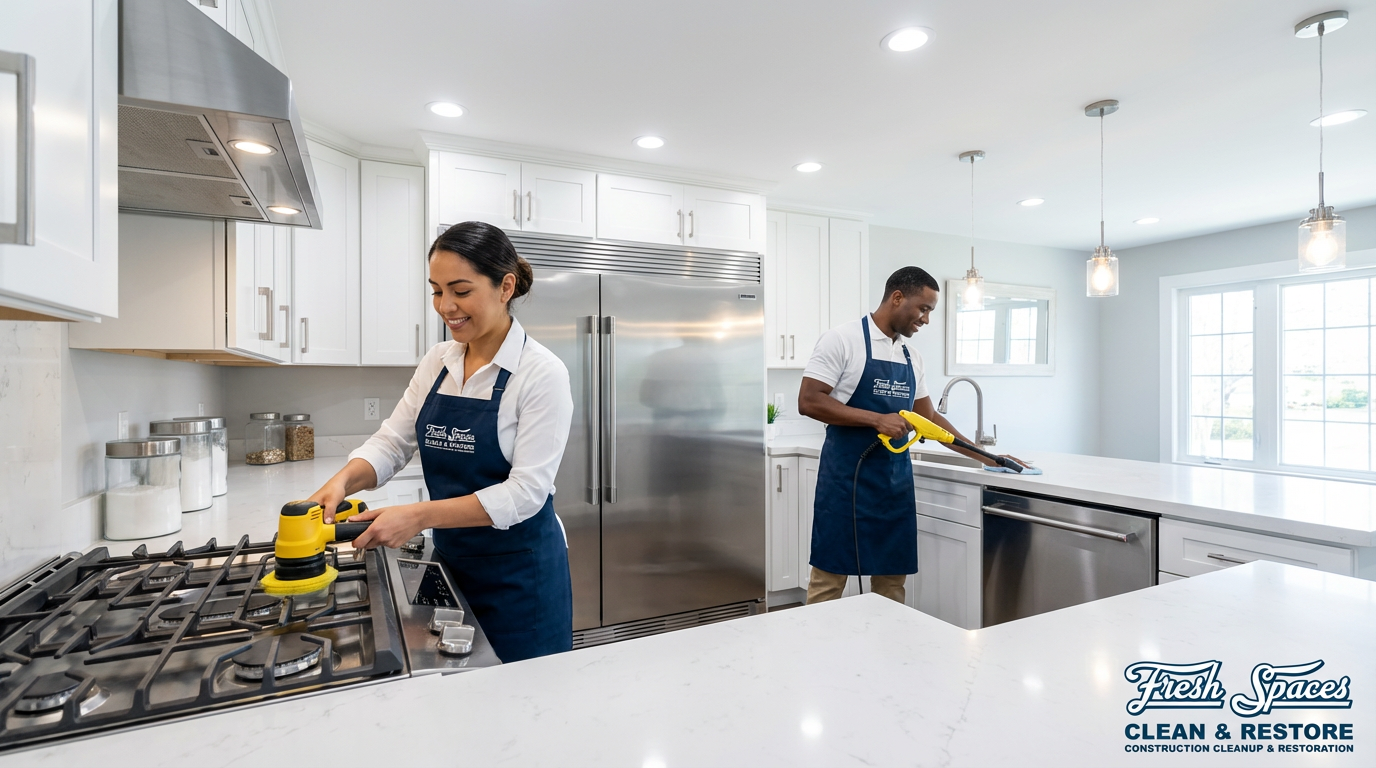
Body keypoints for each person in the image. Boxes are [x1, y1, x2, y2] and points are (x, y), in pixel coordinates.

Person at [306, 221, 574, 662]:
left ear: (505, 286)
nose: (446, 306)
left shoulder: (541, 374)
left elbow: (525, 494)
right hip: (452, 564)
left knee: (526, 706)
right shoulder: (439, 361)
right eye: (436, 291)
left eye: (461, 290)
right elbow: (393, 441)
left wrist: (415, 516)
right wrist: (340, 484)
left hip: (521, 577)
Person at [798, 266, 1025, 605]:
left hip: (894, 486)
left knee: (892, 584)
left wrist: (988, 457)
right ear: (897, 297)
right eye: (924, 308)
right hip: (845, 484)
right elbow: (809, 400)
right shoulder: (842, 340)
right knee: (829, 581)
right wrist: (877, 419)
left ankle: (889, 652)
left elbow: (929, 418)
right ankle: (818, 655)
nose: (926, 319)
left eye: (930, 311)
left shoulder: (911, 356)